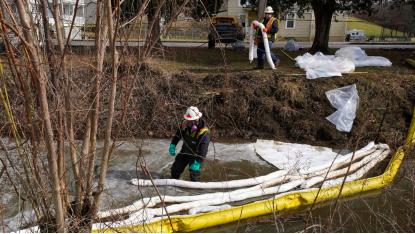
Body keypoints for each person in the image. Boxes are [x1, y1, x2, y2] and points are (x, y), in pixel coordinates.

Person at [168, 106, 210, 181]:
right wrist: (173, 145)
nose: (189, 123)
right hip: (184, 152)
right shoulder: (185, 125)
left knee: (194, 175)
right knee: (175, 171)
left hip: (196, 155)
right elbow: (178, 135)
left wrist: (198, 162)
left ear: (197, 119)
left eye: (191, 121)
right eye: (188, 120)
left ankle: (194, 190)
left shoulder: (204, 132)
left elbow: (203, 150)